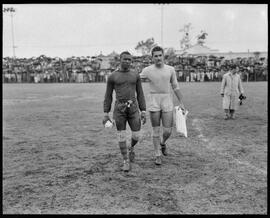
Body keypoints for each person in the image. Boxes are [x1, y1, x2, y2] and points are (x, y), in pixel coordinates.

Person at [140, 46, 186, 166]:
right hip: (154, 100)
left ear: (163, 56)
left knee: (167, 131)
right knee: (155, 130)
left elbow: (176, 86)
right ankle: (157, 155)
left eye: (160, 55)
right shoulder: (147, 70)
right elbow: (135, 79)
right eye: (156, 56)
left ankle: (162, 143)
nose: (158, 58)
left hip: (167, 99)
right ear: (152, 57)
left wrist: (181, 102)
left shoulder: (170, 69)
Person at [103, 51, 146, 172]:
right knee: (121, 135)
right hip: (119, 109)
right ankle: (125, 160)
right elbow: (108, 96)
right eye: (125, 59)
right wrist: (106, 112)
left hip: (133, 108)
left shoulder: (135, 75)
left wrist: (143, 110)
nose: (127, 61)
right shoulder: (113, 76)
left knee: (136, 135)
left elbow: (140, 93)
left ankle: (130, 147)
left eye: (129, 59)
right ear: (120, 60)